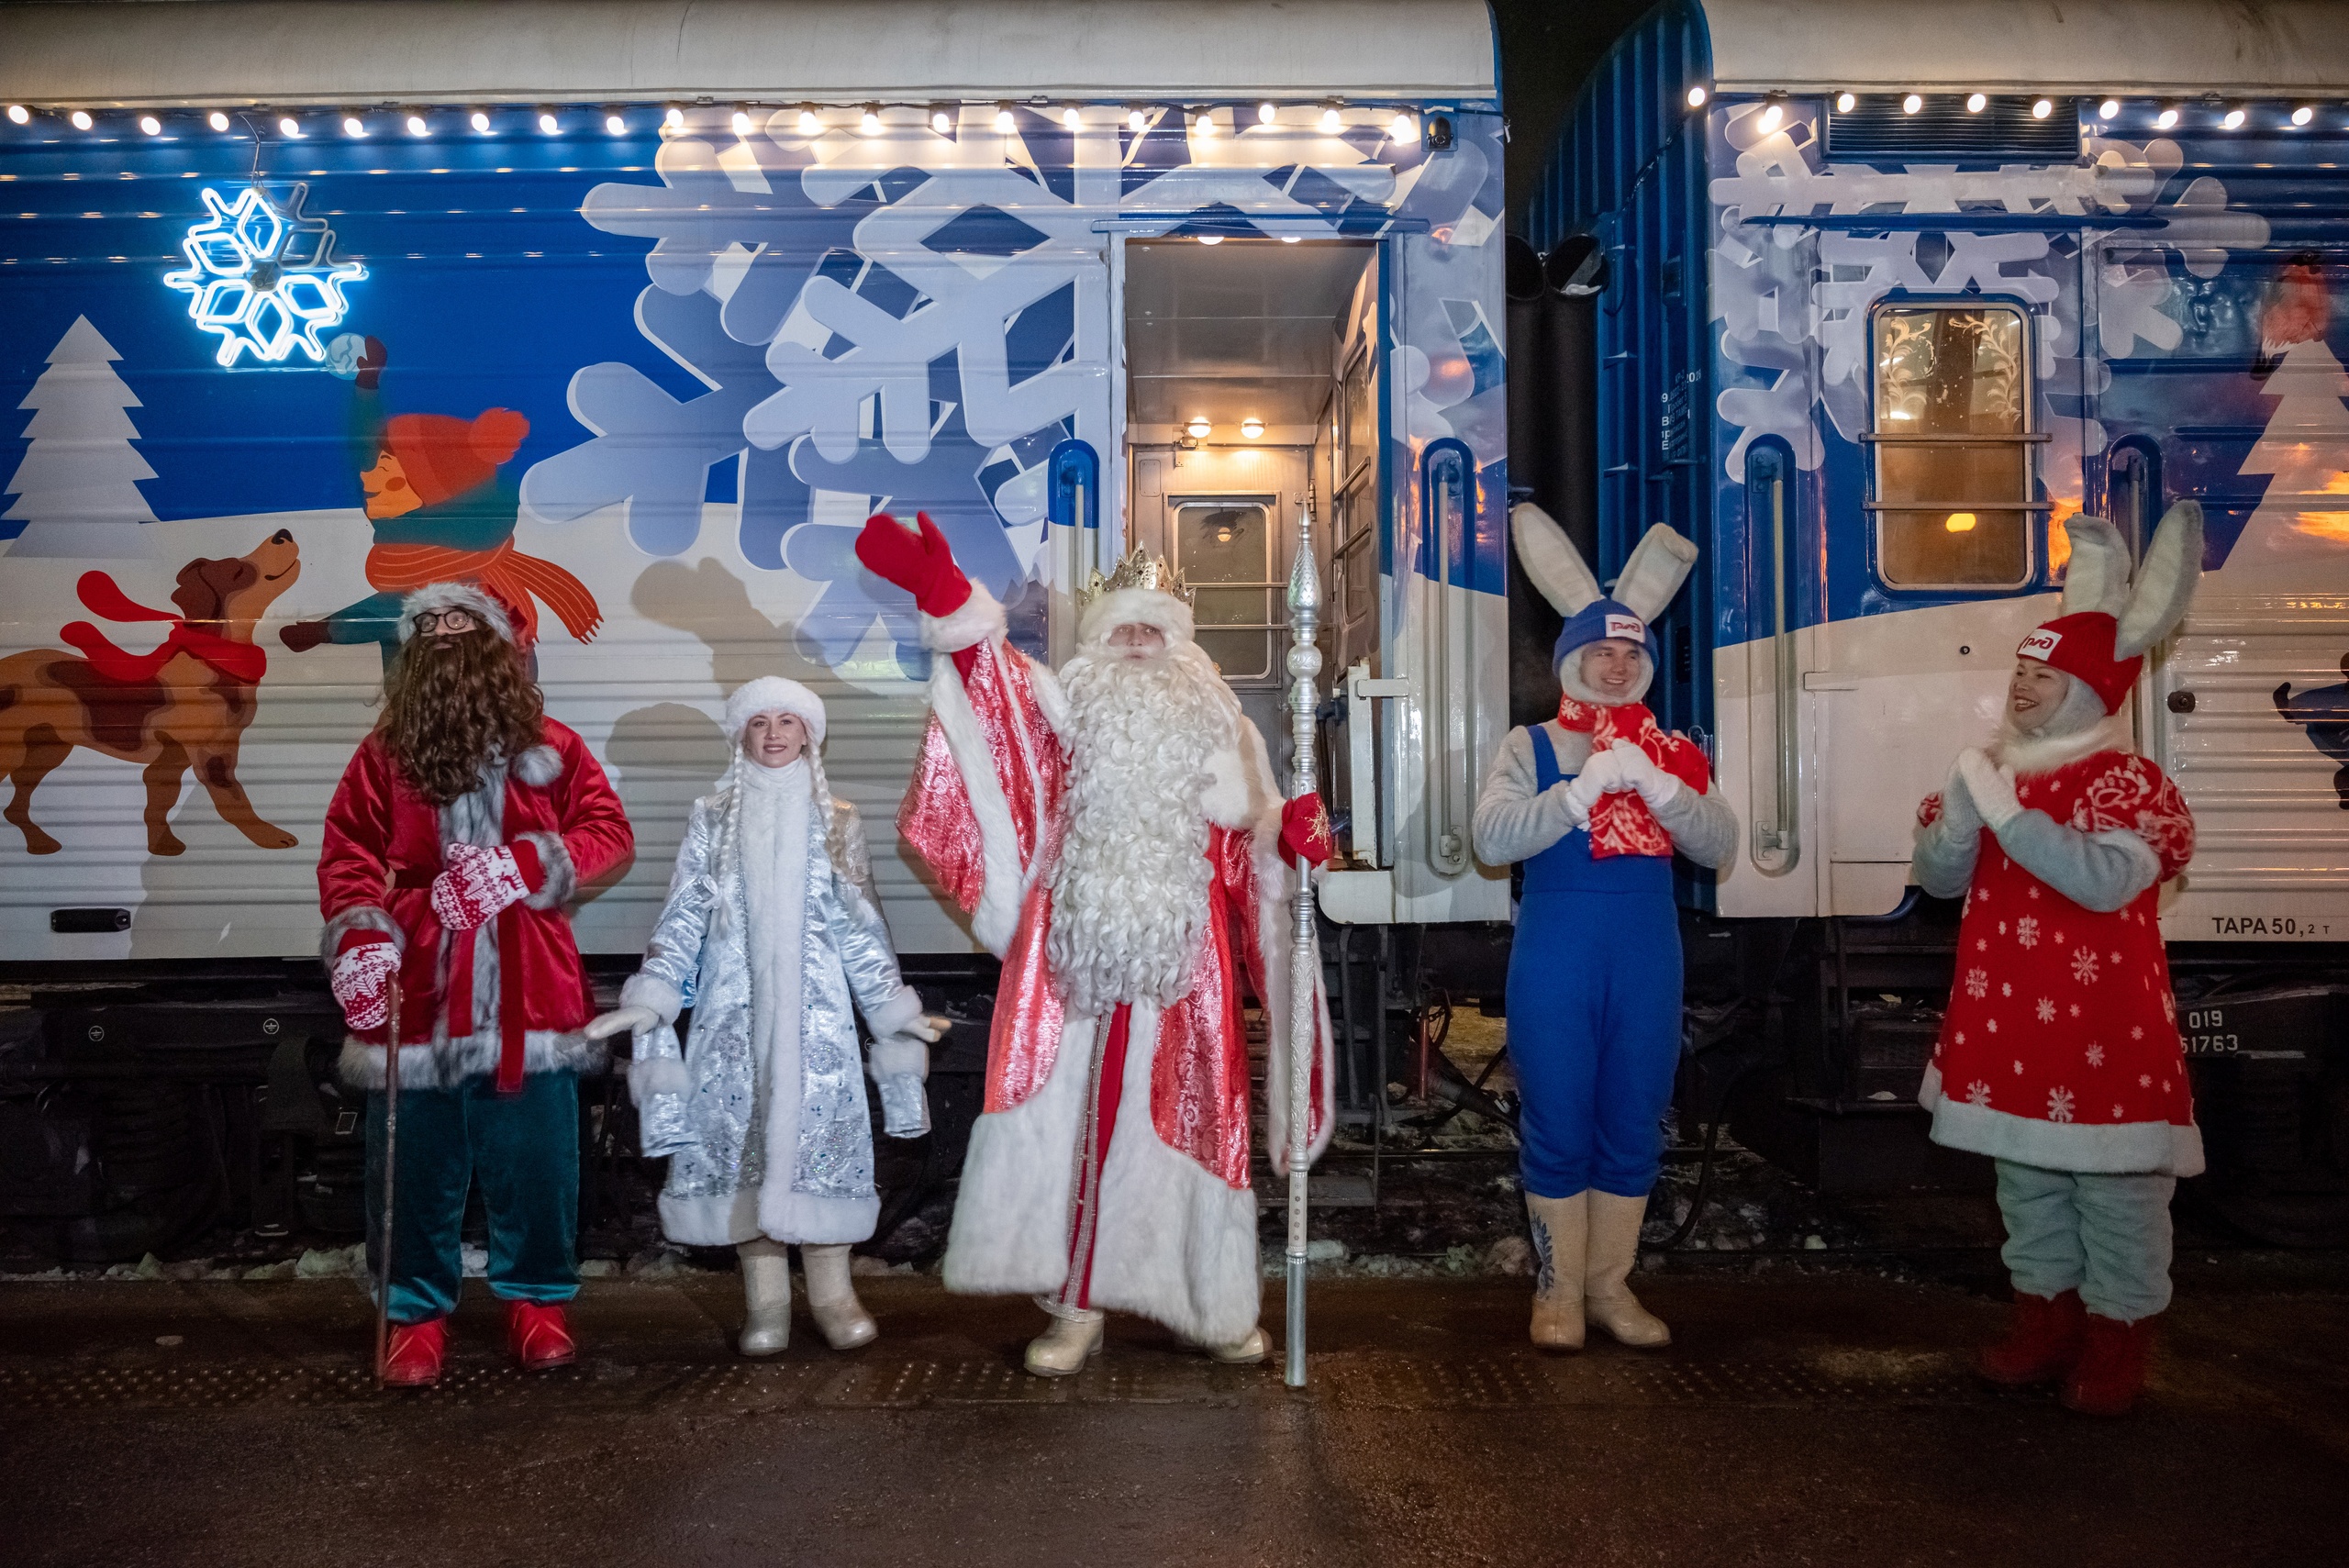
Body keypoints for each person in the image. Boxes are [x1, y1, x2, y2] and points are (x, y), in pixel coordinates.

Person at [852, 511, 1333, 1376]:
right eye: (1124, 627)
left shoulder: (1225, 727)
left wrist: (1286, 839)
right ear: (1101, 640)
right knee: (1077, 1123)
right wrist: (950, 603)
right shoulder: (1066, 709)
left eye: (1155, 626)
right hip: (1072, 967)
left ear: (1180, 639)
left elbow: (1246, 848)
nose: (1141, 640)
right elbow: (994, 709)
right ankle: (1075, 1307)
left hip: (1184, 972)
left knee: (1195, 1127)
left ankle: (1206, 1302)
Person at [1912, 503, 2205, 1418]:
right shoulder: (2005, 770)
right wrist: (1960, 816)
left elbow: (2101, 879)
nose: (2023, 686)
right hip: (2010, 1020)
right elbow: (1937, 877)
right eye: (2022, 670)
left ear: (2089, 691)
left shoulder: (2128, 782)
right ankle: (2044, 1320)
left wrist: (2004, 815)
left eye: (2045, 675)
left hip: (2099, 1026)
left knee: (2116, 1190)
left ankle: (2119, 1335)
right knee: (2027, 1179)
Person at [317, 582, 633, 1387]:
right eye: (430, 627)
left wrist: (522, 865)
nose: (446, 636)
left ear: (499, 646)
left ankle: (538, 1304)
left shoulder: (553, 744)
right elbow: (350, 852)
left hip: (530, 987)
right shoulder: (383, 754)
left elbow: (607, 832)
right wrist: (362, 936)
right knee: (414, 1162)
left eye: (462, 623)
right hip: (419, 984)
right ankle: (414, 1315)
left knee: (536, 1160)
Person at [587, 676, 941, 1355]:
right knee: (742, 1144)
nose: (774, 733)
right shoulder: (713, 816)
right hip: (733, 1024)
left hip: (819, 1027)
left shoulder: (838, 819)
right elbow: (685, 913)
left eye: (788, 720)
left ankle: (835, 1295)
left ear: (810, 733)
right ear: (741, 734)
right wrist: (652, 993)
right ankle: (768, 1300)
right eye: (759, 722)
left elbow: (860, 926)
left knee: (822, 1147)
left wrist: (893, 1011)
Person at [1472, 505, 1736, 1351]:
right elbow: (1490, 836)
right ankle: (1556, 1290)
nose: (1617, 667)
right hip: (1557, 955)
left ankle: (1609, 1287)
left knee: (1633, 1112)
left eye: (1631, 654)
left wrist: (1663, 791)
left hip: (1646, 957)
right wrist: (1577, 793)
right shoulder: (1534, 743)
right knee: (1558, 1115)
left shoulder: (1677, 752)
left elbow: (1722, 842)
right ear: (1571, 661)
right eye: (1601, 652)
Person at [281, 335, 601, 661]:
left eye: (390, 475)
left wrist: (327, 630)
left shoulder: (465, 577)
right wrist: (367, 385)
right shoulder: (414, 542)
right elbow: (363, 448)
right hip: (427, 700)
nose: (370, 479)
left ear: (432, 498)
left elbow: (389, 610)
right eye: (373, 470)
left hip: (475, 697)